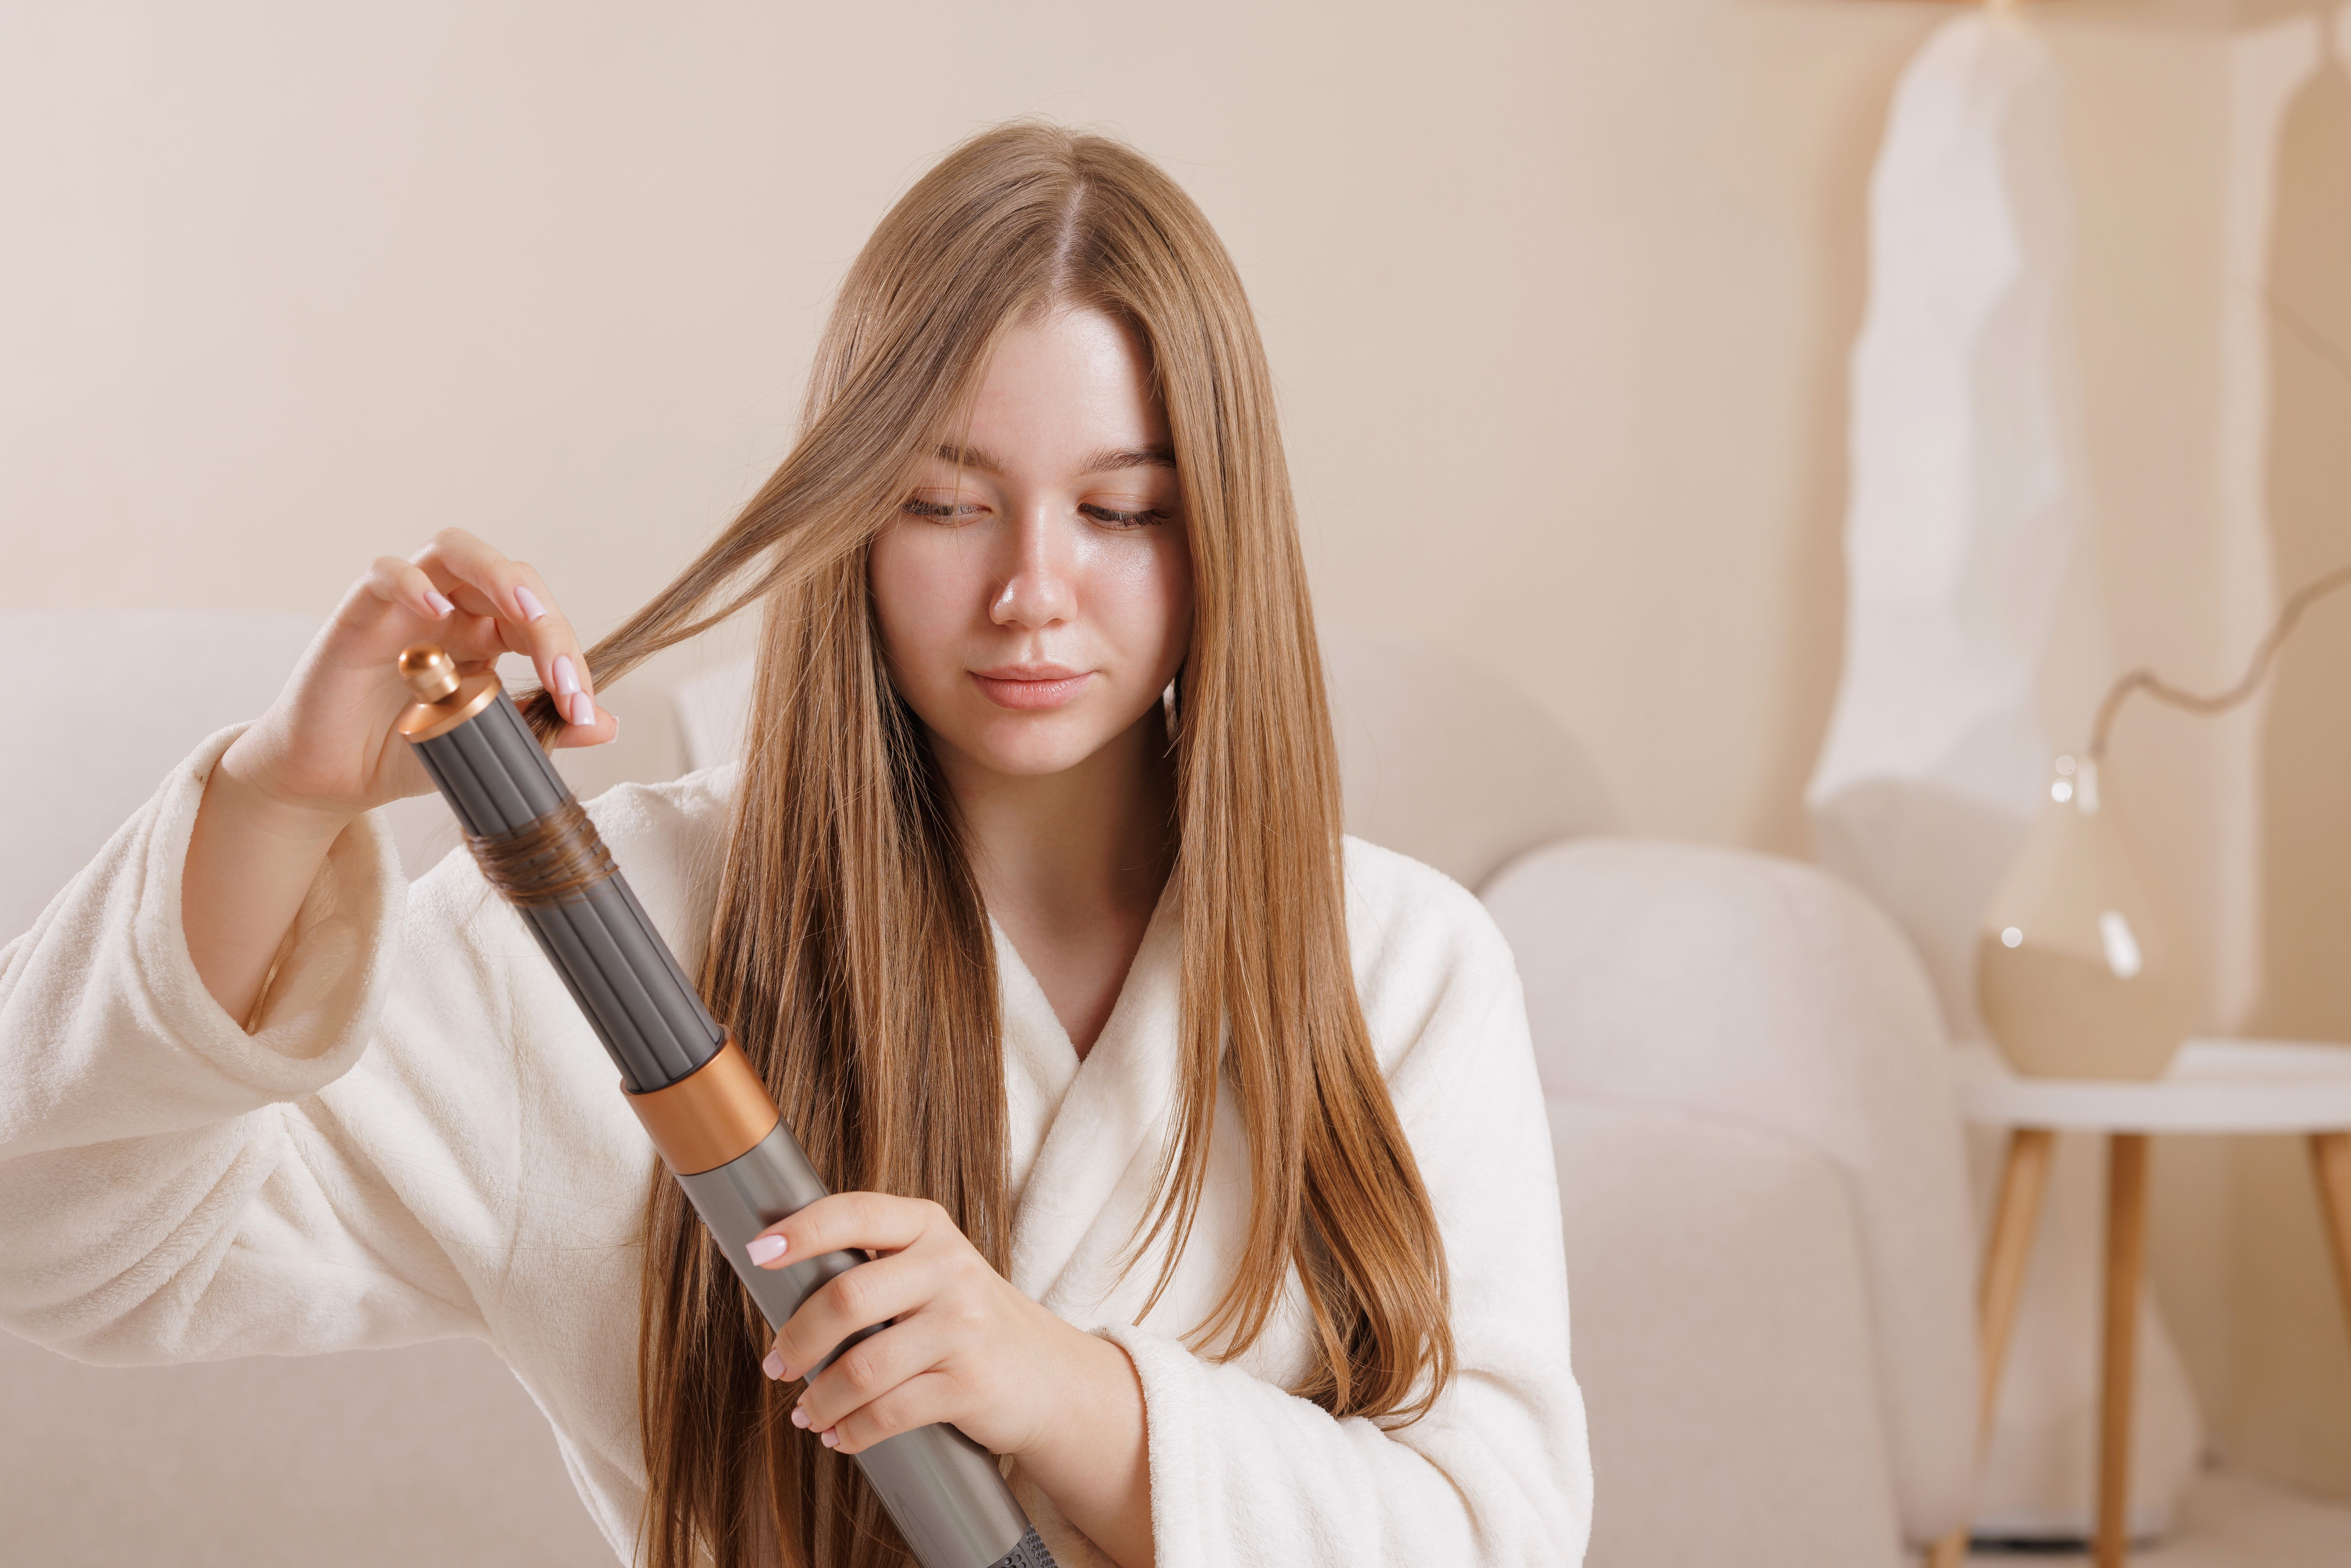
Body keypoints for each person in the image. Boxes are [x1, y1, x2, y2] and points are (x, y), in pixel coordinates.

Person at [0, 122, 1591, 1568]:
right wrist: (282, 803)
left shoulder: (1402, 967)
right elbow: (75, 1249)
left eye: (1121, 511)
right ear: (850, 517)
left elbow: (1497, 1531)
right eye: (948, 505)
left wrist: (1068, 1395)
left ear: (1220, 529)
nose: (1034, 589)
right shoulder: (587, 942)